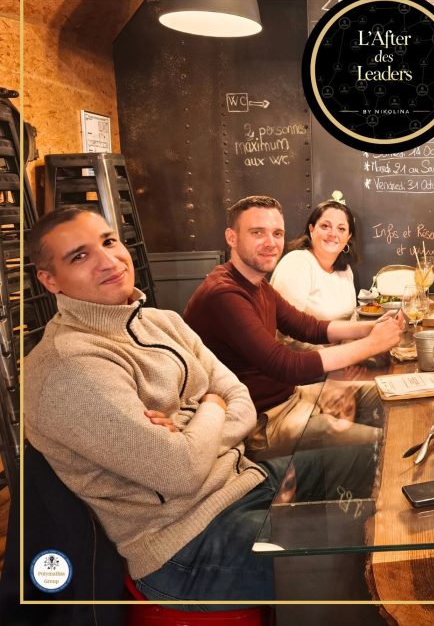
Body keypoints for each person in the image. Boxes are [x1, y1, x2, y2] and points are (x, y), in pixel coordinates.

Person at [23, 207, 376, 605]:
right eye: (79, 256)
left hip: (245, 483)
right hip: (186, 546)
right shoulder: (71, 367)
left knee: (373, 460)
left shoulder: (161, 322)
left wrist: (190, 428)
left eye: (108, 241)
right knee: (364, 554)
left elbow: (239, 397)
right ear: (49, 280)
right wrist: (210, 404)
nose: (108, 260)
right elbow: (181, 470)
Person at [184, 196, 404, 457]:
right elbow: (286, 365)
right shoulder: (223, 293)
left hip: (292, 397)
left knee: (393, 395)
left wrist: (370, 328)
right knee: (389, 443)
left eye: (277, 233)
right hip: (260, 422)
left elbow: (309, 327)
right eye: (257, 233)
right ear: (231, 238)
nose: (271, 243)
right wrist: (372, 344)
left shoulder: (258, 283)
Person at [271, 197, 358, 350]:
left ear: (348, 236)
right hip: (306, 363)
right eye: (325, 226)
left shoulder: (345, 270)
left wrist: (348, 348)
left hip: (341, 355)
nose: (333, 234)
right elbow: (284, 335)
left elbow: (350, 320)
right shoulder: (297, 263)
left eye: (341, 229)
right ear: (311, 229)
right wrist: (334, 357)